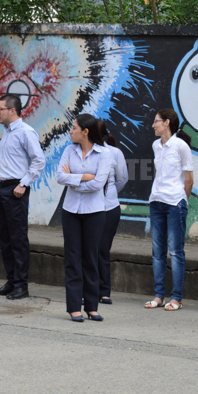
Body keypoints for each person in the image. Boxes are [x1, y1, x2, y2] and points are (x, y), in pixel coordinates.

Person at [0, 93, 46, 300]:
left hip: (16, 190)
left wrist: (23, 183)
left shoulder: (25, 131)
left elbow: (39, 161)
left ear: (12, 110)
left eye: (0, 109)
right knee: (4, 238)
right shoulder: (7, 131)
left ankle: (21, 285)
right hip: (3, 189)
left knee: (18, 238)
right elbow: (11, 160)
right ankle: (12, 281)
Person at [57, 114, 112, 322]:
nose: (71, 131)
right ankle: (74, 307)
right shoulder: (69, 150)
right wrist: (83, 176)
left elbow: (98, 184)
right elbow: (60, 176)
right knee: (72, 258)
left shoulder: (104, 154)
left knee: (91, 258)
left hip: (95, 212)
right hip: (71, 211)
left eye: (74, 127)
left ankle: (92, 307)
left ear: (85, 131)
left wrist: (73, 180)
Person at [144, 108, 194, 312]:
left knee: (176, 251)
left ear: (166, 123)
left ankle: (177, 298)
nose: (153, 125)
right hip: (156, 201)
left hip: (175, 203)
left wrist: (181, 200)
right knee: (157, 252)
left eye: (156, 121)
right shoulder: (156, 145)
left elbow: (189, 180)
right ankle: (159, 296)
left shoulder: (181, 146)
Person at [97, 120, 128, 304]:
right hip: (90, 209)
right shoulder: (82, 151)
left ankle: (104, 290)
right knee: (89, 250)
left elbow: (122, 179)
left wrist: (109, 193)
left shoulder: (115, 153)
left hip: (109, 208)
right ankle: (90, 289)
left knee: (103, 249)